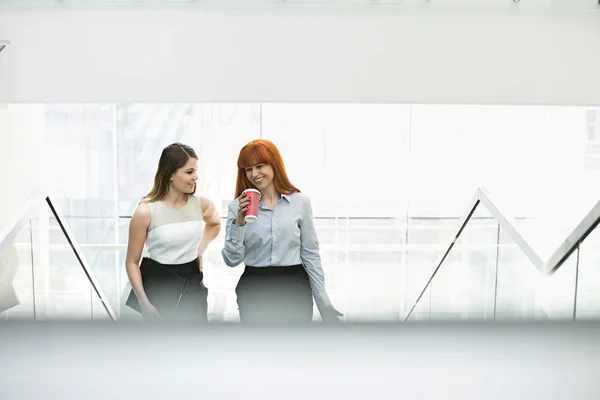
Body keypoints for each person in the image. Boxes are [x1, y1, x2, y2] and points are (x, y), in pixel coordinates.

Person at [221, 139, 342, 324]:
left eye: (260, 166)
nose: (254, 174)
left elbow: (310, 254)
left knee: (295, 349)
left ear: (274, 164)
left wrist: (324, 304)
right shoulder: (237, 206)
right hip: (254, 288)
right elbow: (231, 260)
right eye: (248, 169)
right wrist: (239, 224)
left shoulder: (300, 202)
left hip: (294, 287)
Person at [125, 142, 221, 322]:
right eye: (189, 172)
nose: (196, 177)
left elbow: (215, 224)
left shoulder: (201, 203)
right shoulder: (146, 211)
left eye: (196, 171)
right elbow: (131, 262)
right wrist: (144, 303)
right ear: (170, 174)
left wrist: (200, 249)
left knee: (196, 347)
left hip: (194, 287)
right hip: (159, 290)